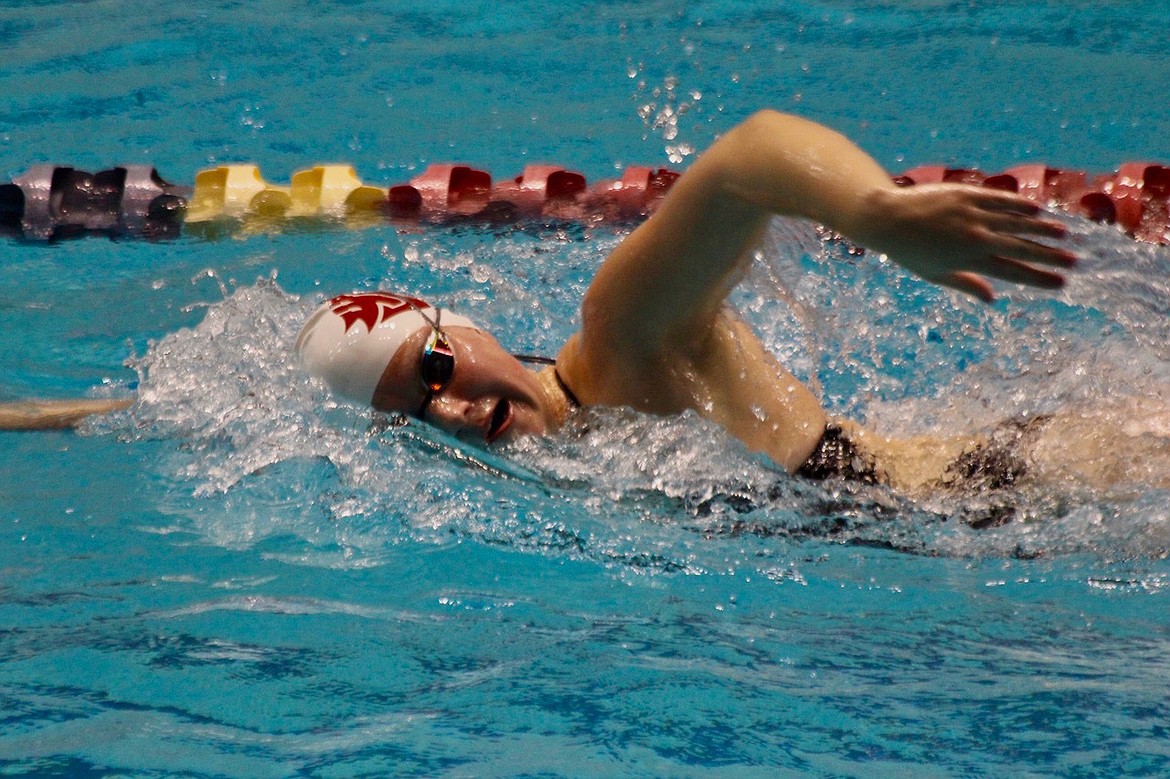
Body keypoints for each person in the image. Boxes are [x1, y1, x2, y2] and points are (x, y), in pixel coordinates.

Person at [1, 111, 1078, 492]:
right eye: (412, 417)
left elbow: (748, 155)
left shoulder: (621, 340)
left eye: (435, 374)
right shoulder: (572, 463)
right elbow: (223, 408)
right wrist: (41, 416)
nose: (456, 411)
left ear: (459, 329)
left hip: (1039, 484)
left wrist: (877, 212)